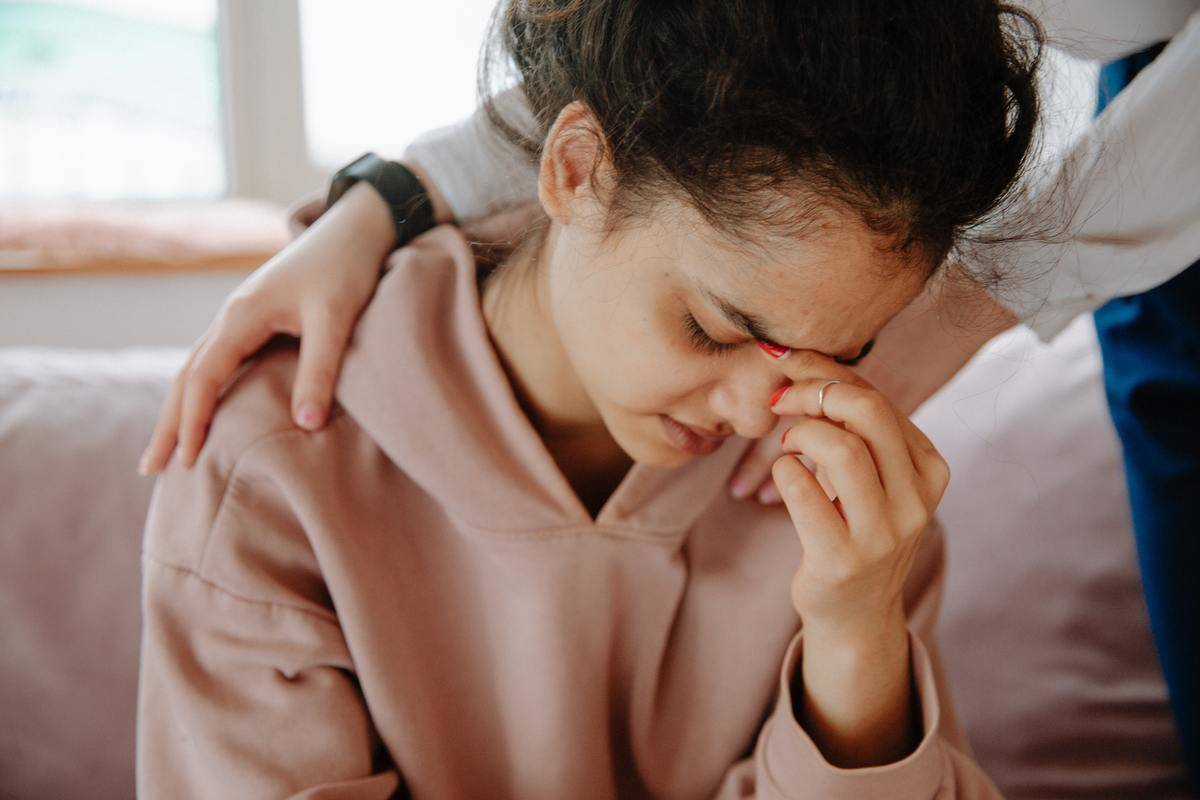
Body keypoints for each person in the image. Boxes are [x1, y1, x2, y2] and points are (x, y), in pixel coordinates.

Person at [136, 1, 1044, 796]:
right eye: (716, 327)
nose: (757, 415)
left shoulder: (852, 518)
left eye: (840, 357)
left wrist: (855, 642)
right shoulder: (271, 465)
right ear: (576, 171)